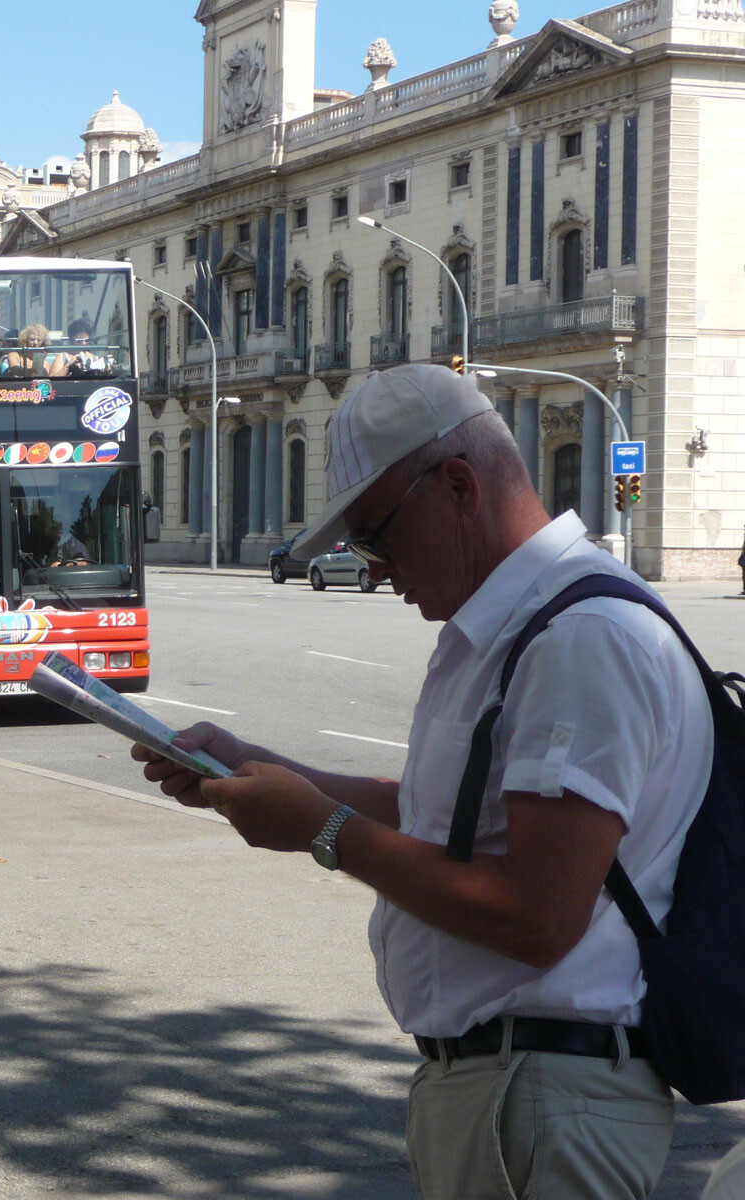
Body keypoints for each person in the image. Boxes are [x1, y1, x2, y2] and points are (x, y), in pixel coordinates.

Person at [134, 364, 709, 1200]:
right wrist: (253, 764)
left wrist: (323, 830)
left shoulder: (580, 638)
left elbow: (539, 918)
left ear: (458, 486)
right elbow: (442, 814)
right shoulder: (511, 625)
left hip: (543, 1094)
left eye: (375, 535)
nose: (369, 563)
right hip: (512, 1090)